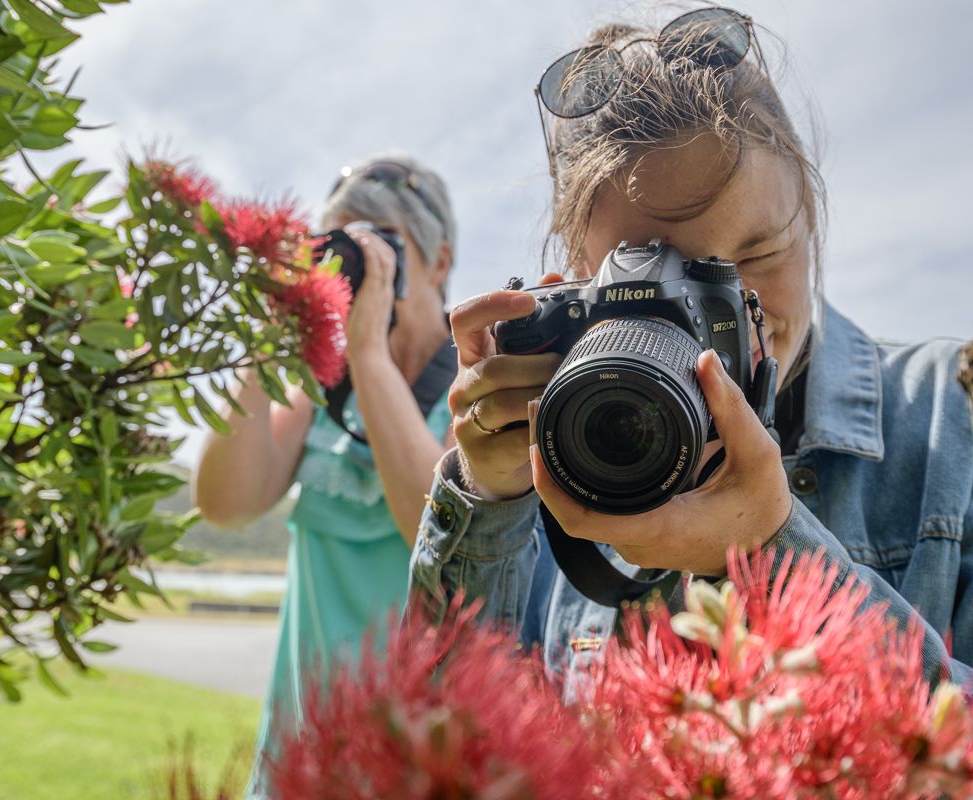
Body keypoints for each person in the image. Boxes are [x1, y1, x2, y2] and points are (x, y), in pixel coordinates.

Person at [409, 6, 973, 687]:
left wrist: (772, 552)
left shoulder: (953, 421)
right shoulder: (557, 450)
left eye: (758, 255)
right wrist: (488, 503)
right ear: (575, 282)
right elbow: (454, 742)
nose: (730, 310)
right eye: (657, 276)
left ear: (810, 223)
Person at [193, 154, 458, 797]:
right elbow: (225, 504)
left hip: (415, 763)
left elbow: (442, 530)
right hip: (299, 757)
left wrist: (367, 351)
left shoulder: (470, 388)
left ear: (441, 263)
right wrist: (278, 338)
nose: (359, 268)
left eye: (381, 246)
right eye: (343, 248)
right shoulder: (322, 390)